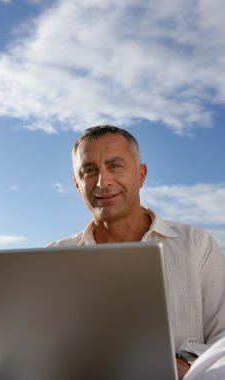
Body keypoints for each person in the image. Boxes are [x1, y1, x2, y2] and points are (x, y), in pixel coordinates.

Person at [48, 125, 225, 379]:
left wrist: (183, 363)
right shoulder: (54, 259)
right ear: (77, 184)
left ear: (141, 175)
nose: (103, 181)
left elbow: (223, 337)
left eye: (115, 166)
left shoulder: (196, 245)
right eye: (89, 170)